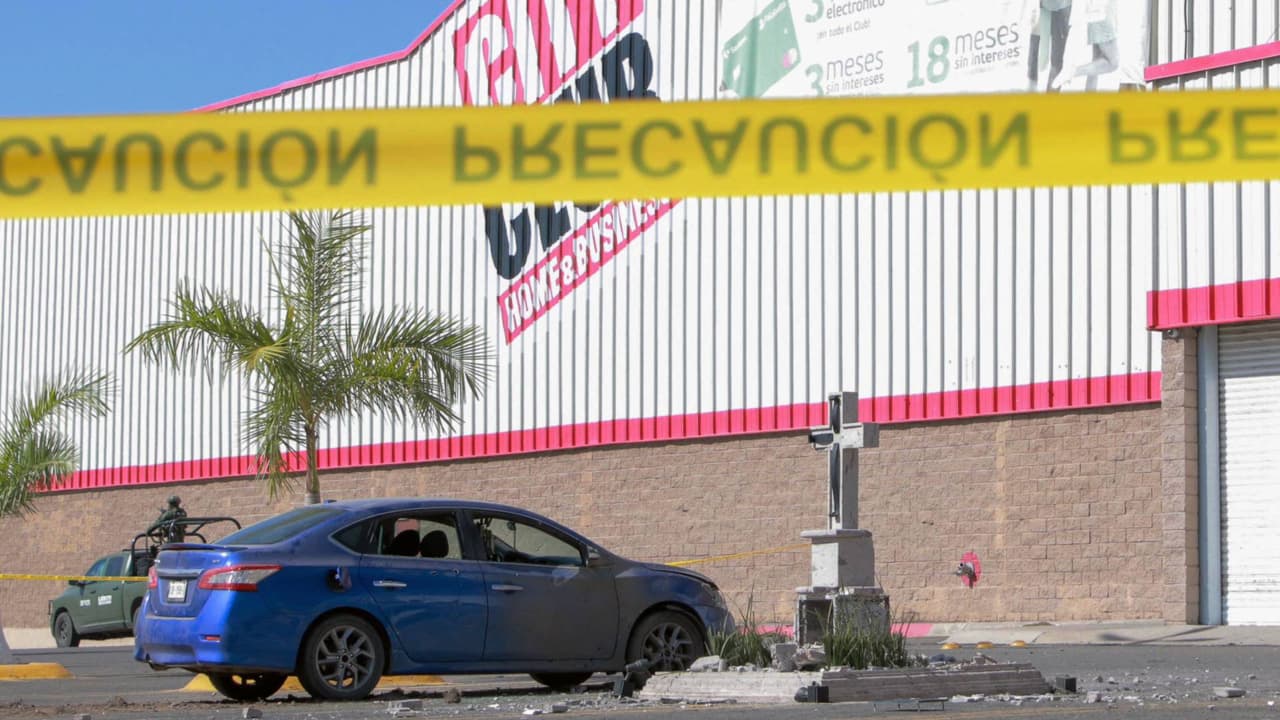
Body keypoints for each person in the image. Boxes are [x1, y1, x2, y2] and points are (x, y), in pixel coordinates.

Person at [1026, 0, 1073, 92]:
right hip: (1059, 7)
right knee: (1056, 59)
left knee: (1040, 55)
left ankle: (1035, 93)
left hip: (1050, 6)